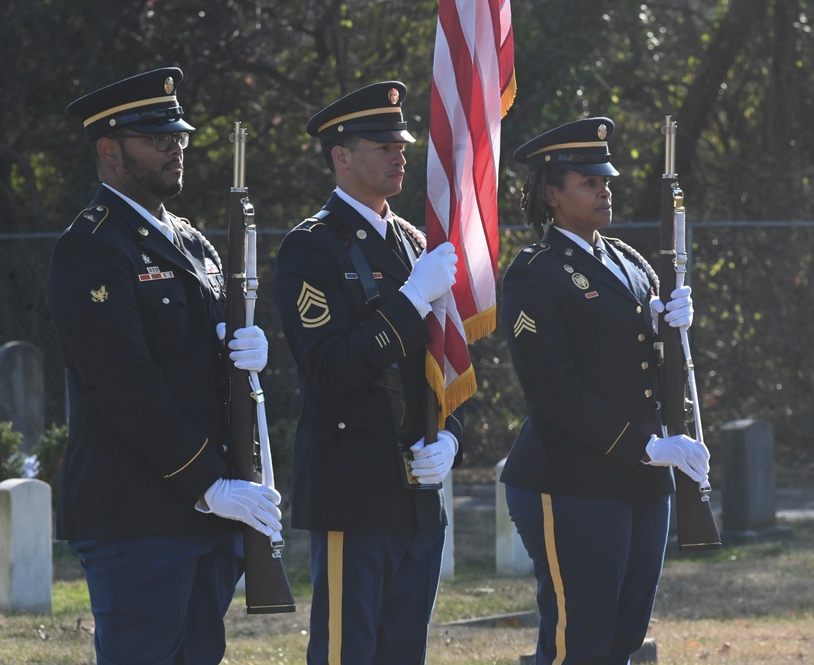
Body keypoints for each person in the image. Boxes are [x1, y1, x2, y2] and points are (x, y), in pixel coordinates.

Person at [47, 67, 284, 665]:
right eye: (156, 139)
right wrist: (210, 483)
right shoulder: (93, 247)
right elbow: (125, 385)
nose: (175, 147)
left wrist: (250, 353)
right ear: (108, 149)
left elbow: (203, 368)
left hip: (203, 518)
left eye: (177, 135)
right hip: (138, 519)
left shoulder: (194, 243)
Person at [498, 118, 710, 665]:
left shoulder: (630, 261)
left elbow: (649, 366)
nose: (604, 189)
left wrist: (674, 325)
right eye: (588, 181)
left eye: (605, 179)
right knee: (580, 639)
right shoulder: (535, 273)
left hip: (641, 479)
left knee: (623, 637)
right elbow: (551, 389)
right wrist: (642, 445)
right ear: (551, 192)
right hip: (570, 478)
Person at [273, 81, 463, 664]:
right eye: (381, 144)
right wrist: (408, 303)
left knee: (403, 652)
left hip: (417, 490)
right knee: (346, 653)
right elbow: (329, 369)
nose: (398, 154)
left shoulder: (413, 241)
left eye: (400, 143)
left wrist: (452, 433)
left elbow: (447, 356)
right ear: (341, 156)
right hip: (352, 487)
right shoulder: (313, 247)